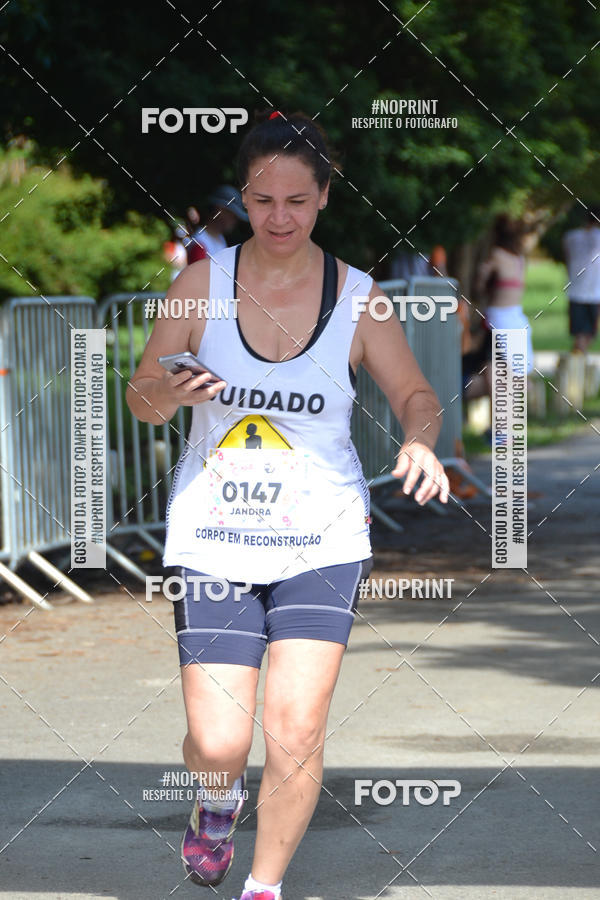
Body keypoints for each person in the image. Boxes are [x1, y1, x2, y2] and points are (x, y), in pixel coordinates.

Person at [126, 110, 449, 900]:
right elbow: (142, 400)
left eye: (297, 202)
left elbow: (415, 393)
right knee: (218, 738)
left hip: (322, 539)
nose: (279, 218)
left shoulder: (360, 299)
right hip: (214, 539)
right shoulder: (201, 282)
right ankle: (215, 799)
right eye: (264, 201)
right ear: (246, 195)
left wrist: (419, 440)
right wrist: (171, 384)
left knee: (296, 730)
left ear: (325, 199)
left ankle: (263, 886)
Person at [475, 214, 534, 374]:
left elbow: (479, 285)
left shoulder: (496, 255)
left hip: (498, 317)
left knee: (496, 365)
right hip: (517, 315)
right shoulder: (519, 258)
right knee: (516, 368)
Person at [563, 206, 600, 353]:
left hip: (576, 290)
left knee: (580, 334)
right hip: (595, 292)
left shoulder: (570, 236)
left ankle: (578, 360)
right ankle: (579, 362)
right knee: (589, 333)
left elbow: (567, 260)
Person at [186, 185, 249, 264]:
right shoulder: (201, 243)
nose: (235, 221)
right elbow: (196, 275)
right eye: (233, 215)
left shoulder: (220, 239)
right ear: (220, 210)